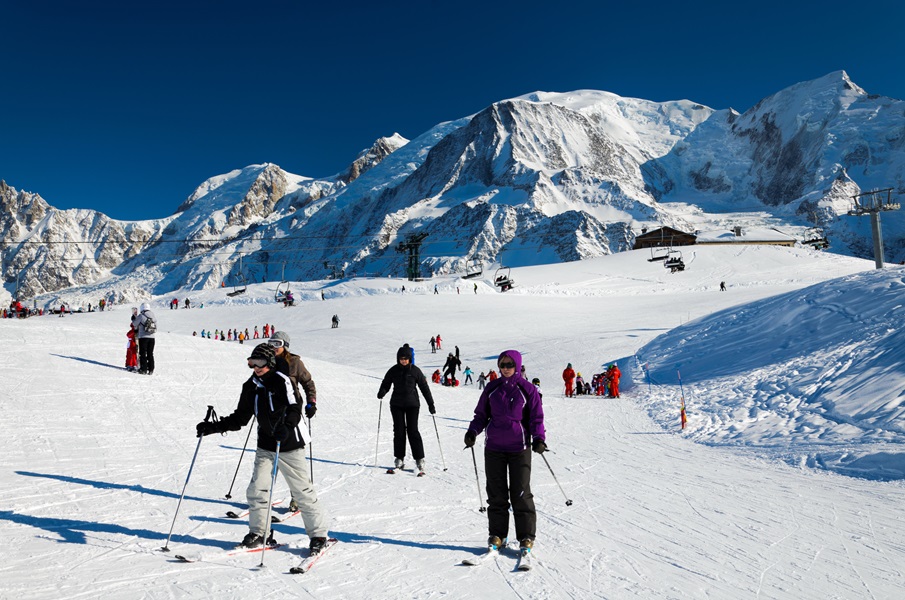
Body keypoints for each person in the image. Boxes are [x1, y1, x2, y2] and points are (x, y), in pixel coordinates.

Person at [196, 343, 329, 553]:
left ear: (270, 362)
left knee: (302, 491)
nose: (256, 367)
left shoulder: (282, 381)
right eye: (252, 362)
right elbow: (240, 418)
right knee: (257, 490)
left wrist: (286, 427)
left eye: (261, 363)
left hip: (290, 443)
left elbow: (295, 408)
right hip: (266, 444)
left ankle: (318, 535)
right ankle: (260, 533)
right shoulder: (250, 386)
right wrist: (213, 427)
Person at [464, 350, 546, 555]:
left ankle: (526, 536)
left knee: (520, 493)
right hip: (494, 448)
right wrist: (473, 430)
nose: (506, 368)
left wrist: (539, 438)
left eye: (510, 364)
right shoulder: (492, 388)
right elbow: (481, 414)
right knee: (496, 493)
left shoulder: (527, 389)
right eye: (503, 365)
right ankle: (498, 534)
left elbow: (536, 417)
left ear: (517, 365)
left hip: (520, 448)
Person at [268, 331, 318, 512]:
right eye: (271, 342)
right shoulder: (267, 361)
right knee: (269, 456)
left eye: (277, 343)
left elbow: (308, 383)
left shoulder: (294, 363)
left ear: (285, 345)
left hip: (291, 413)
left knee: (293, 457)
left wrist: (311, 402)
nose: (274, 347)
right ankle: (264, 496)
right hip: (271, 413)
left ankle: (297, 497)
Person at [377, 344, 436, 473]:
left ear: (409, 358)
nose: (403, 360)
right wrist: (382, 391)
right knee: (398, 431)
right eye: (401, 358)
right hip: (396, 405)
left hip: (412, 405)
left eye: (405, 358)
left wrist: (430, 404)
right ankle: (399, 458)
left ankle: (419, 459)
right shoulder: (393, 370)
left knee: (413, 431)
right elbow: (386, 383)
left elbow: (424, 388)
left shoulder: (415, 371)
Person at [132, 302, 156, 375]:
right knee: (150, 353)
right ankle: (151, 369)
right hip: (152, 337)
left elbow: (134, 324)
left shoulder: (141, 315)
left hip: (143, 337)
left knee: (142, 353)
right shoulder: (153, 316)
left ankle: (143, 369)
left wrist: (133, 318)